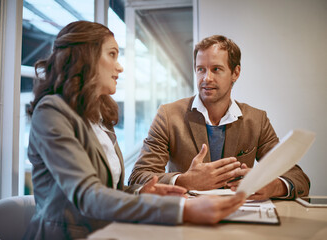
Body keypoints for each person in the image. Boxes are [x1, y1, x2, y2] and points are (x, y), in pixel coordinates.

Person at [23, 22, 245, 239]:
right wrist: (182, 210)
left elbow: (110, 190)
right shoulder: (51, 112)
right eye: (112, 54)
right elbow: (88, 196)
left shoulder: (99, 117)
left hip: (111, 232)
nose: (119, 67)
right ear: (85, 57)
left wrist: (143, 193)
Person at [129, 35, 310, 200]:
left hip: (241, 215)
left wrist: (274, 186)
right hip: (187, 216)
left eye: (216, 69)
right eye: (201, 69)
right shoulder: (168, 116)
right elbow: (138, 177)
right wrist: (184, 180)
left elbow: (298, 178)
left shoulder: (257, 120)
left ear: (235, 73)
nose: (206, 78)